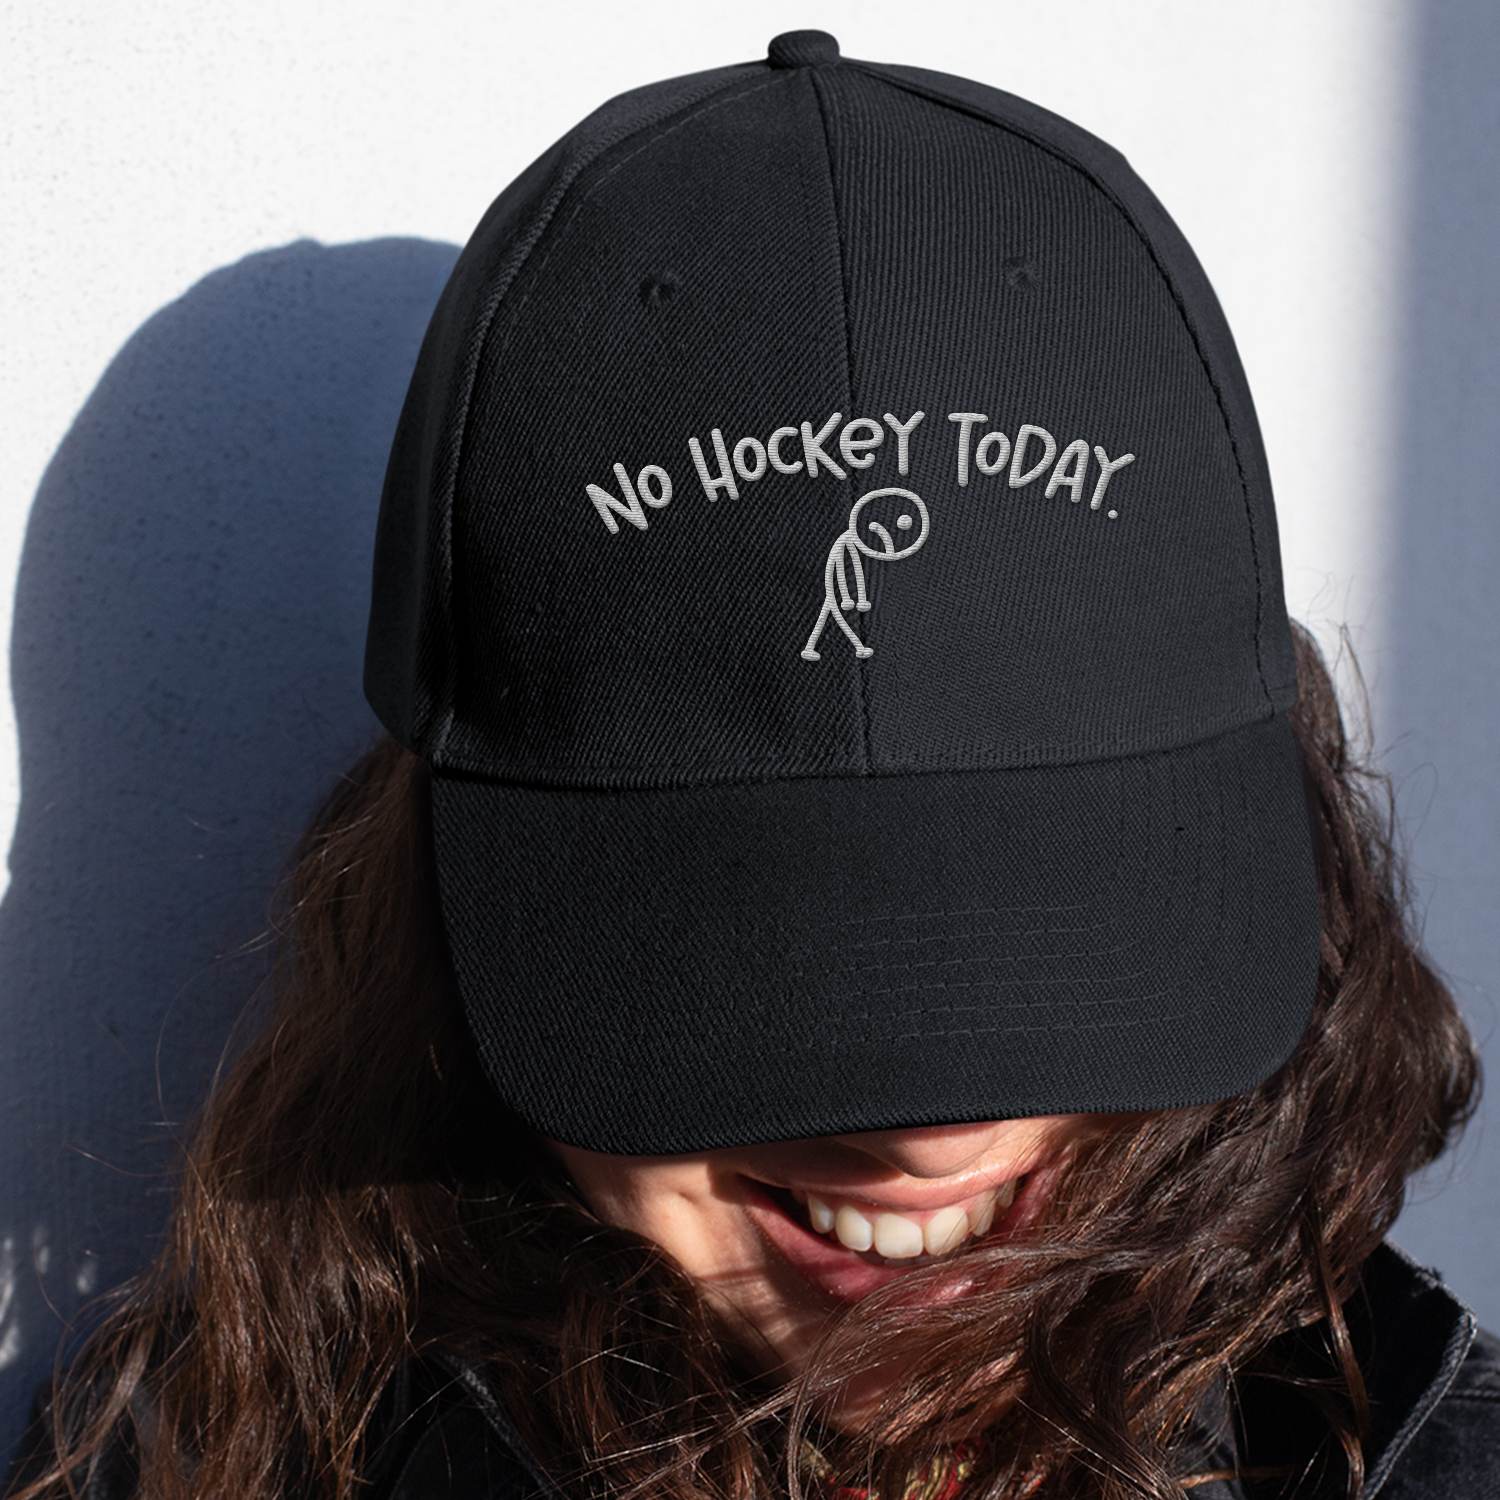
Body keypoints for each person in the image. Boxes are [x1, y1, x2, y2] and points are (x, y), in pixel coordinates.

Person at [7, 27, 1498, 1500]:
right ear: (445, 909)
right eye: (760, 979)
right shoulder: (194, 1466)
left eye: (1060, 943)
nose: (928, 1143)